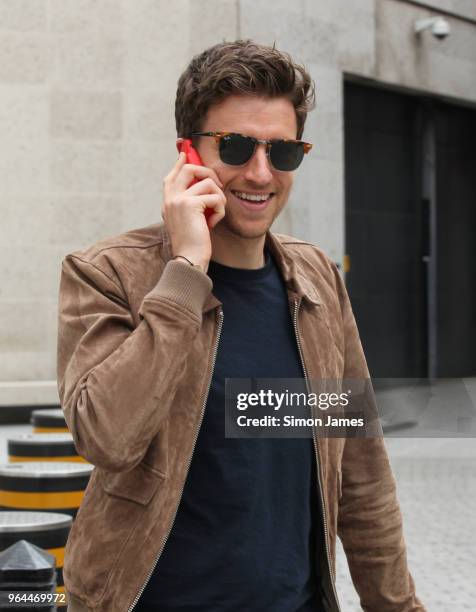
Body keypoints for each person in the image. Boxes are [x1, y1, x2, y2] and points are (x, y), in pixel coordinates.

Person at [57, 40, 425, 612]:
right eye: (235, 147)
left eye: (283, 152)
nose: (260, 173)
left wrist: (398, 605)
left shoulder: (317, 280)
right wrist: (184, 273)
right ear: (188, 153)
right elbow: (107, 437)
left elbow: (361, 474)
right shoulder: (109, 273)